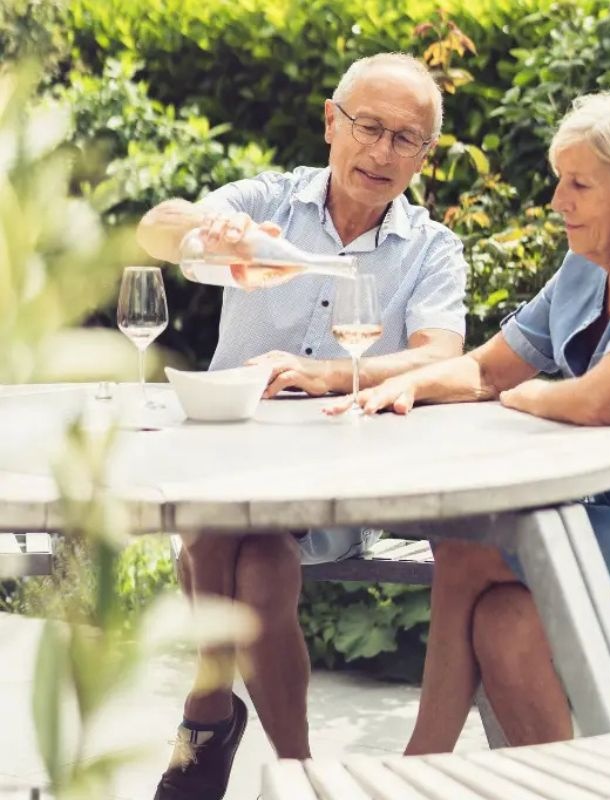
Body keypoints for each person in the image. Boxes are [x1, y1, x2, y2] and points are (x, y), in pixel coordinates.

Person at [334, 89, 610, 754]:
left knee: (467, 549)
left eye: (579, 184)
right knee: (504, 621)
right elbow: (488, 368)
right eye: (559, 180)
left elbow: (606, 400)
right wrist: (408, 386)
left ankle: (420, 763)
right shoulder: (586, 265)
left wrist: (521, 396)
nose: (556, 201)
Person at [136, 52, 467, 799]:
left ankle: (208, 710)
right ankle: (301, 775)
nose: (382, 152)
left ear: (424, 154)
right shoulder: (270, 204)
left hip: (336, 481)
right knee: (250, 554)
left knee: (220, 526)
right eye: (368, 127)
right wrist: (210, 230)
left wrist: (326, 375)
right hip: (227, 468)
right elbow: (158, 227)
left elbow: (440, 356)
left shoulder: (431, 248)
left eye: (405, 138)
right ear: (331, 122)